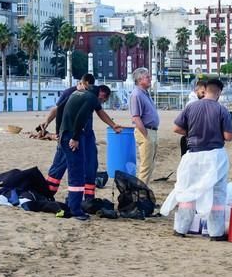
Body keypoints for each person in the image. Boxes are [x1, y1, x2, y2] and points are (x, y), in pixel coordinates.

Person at [166, 78, 232, 240]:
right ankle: (215, 233)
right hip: (215, 156)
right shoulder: (222, 110)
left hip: (192, 155)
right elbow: (228, 136)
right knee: (216, 194)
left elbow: (176, 128)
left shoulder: (191, 107)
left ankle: (180, 229)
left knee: (188, 192)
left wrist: (191, 133)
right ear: (219, 92)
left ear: (205, 89)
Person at [58, 84, 123, 220]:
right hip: (72, 137)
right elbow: (82, 117)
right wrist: (75, 137)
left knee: (75, 171)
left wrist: (59, 131)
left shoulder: (77, 94)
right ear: (100, 94)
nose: (100, 102)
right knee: (77, 173)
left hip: (65, 134)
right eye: (102, 100)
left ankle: (73, 204)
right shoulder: (91, 98)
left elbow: (59, 109)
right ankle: (75, 210)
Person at [130, 67, 160, 184]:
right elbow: (136, 117)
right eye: (147, 77)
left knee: (150, 165)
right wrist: (146, 134)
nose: (150, 79)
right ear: (139, 79)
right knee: (146, 166)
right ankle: (139, 194)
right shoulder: (136, 94)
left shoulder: (145, 93)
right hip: (145, 131)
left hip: (152, 131)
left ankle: (142, 191)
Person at [180, 80, 206, 156]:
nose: (204, 95)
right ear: (196, 90)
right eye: (202, 92)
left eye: (205, 93)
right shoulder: (193, 103)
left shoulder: (196, 102)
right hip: (192, 140)